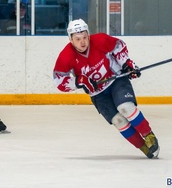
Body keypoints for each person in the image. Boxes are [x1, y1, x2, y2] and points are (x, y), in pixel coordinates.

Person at [53, 19, 160, 159]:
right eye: (77, 39)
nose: (82, 42)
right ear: (71, 40)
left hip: (116, 79)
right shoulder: (66, 56)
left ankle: (148, 135)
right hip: (97, 93)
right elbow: (59, 79)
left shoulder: (100, 40)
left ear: (89, 35)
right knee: (118, 120)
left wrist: (126, 64)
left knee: (126, 107)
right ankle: (143, 147)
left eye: (85, 37)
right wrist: (78, 82)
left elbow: (118, 46)